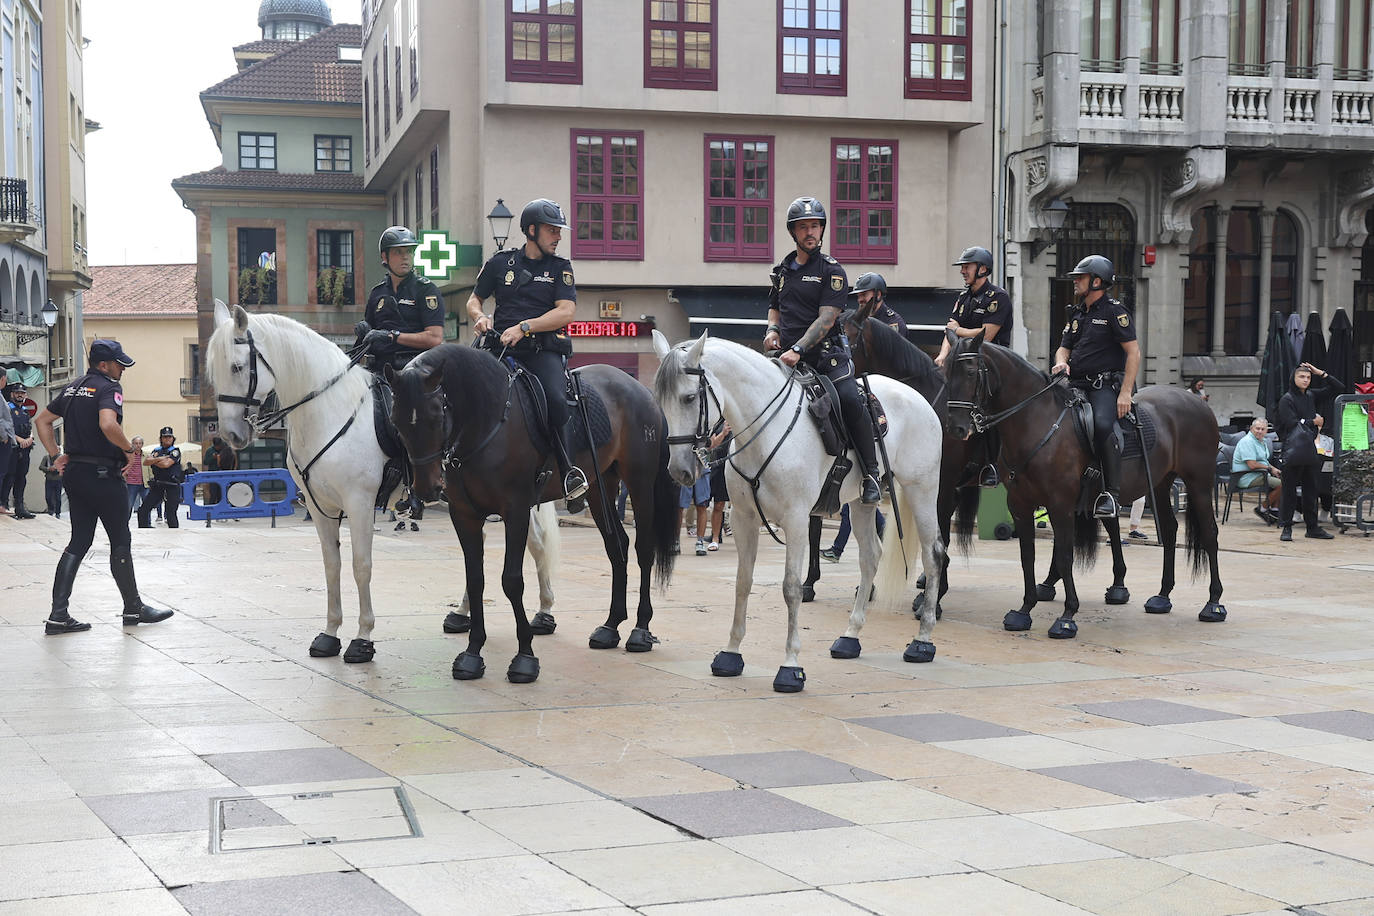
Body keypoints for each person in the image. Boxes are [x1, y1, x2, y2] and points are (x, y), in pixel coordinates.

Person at [32, 339, 173, 634]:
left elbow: (42, 421)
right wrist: (129, 451)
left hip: (75, 473)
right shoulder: (109, 387)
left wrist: (56, 455)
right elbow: (108, 424)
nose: (123, 369)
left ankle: (58, 615)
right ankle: (133, 608)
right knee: (120, 539)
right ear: (104, 364)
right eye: (119, 364)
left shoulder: (72, 387)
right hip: (103, 475)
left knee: (79, 541)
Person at [466, 198, 589, 512]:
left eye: (558, 231)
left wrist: (525, 326)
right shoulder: (500, 263)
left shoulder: (560, 268)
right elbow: (474, 300)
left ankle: (569, 474)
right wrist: (480, 317)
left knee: (557, 400)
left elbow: (566, 312)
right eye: (552, 230)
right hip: (500, 348)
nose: (558, 236)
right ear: (531, 230)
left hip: (541, 352)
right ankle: (455, 471)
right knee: (461, 392)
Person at [764, 196, 881, 504]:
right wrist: (772, 330)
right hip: (788, 358)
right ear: (793, 232)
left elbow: (827, 318)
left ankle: (871, 474)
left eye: (815, 226)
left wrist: (799, 348)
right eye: (803, 227)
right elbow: (774, 308)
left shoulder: (833, 271)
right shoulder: (783, 271)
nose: (810, 233)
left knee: (850, 400)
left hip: (827, 359)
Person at [357, 225, 445, 532]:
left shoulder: (425, 290)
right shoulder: (377, 294)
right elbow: (370, 333)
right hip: (379, 370)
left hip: (413, 369)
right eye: (399, 252)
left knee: (407, 420)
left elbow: (435, 338)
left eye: (409, 251)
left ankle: (414, 490)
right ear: (385, 257)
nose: (405, 257)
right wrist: (364, 333)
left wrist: (394, 336)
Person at [1053, 255, 1141, 519]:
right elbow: (1063, 348)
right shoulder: (1078, 313)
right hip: (1074, 383)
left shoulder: (1115, 311)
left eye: (1080, 277)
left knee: (1102, 425)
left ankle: (1111, 495)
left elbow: (1133, 353)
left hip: (1103, 386)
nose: (1075, 281)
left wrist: (1125, 392)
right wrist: (1061, 363)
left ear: (1097, 281)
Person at [936, 246, 1015, 488]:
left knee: (989, 409)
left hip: (992, 364)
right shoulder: (963, 298)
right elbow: (948, 332)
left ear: (982, 269)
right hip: (964, 361)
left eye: (967, 266)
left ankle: (992, 465)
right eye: (962, 267)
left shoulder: (997, 298)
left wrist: (958, 330)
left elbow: (986, 335)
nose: (962, 271)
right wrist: (941, 356)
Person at [1275, 362, 1339, 541]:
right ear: (1293, 378)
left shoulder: (1311, 395)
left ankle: (1312, 527)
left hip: (1310, 450)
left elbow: (1338, 387)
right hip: (1292, 450)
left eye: (1308, 377)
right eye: (1301, 377)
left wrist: (1320, 372)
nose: (1305, 380)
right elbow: (1291, 423)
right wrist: (1314, 422)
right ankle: (1286, 528)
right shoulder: (1287, 399)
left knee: (1312, 490)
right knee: (1289, 491)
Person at [1232, 418, 1281, 525]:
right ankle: (1262, 509)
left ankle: (1274, 512)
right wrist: (1269, 469)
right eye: (1257, 428)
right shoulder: (1247, 441)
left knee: (1281, 478)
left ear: (1266, 431)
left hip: (1259, 474)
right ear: (1251, 428)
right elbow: (1252, 465)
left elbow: (1263, 461)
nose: (1259, 431)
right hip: (1245, 477)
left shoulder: (1261, 441)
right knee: (1282, 485)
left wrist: (1273, 469)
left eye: (1262, 429)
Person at [137, 427, 183, 529]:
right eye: (165, 437)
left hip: (172, 485)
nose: (167, 439)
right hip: (159, 484)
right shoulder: (157, 451)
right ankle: (144, 530)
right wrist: (160, 458)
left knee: (171, 513)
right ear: (161, 438)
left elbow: (166, 464)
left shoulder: (175, 451)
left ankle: (174, 534)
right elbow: (145, 462)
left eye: (169, 437)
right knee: (143, 510)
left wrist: (154, 461)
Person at [3, 383, 36, 517]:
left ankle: (20, 507)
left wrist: (30, 438)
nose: (20, 395)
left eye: (22, 393)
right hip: (12, 447)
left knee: (21, 478)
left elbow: (29, 427)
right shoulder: (8, 408)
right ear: (12, 394)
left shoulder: (24, 410)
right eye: (17, 393)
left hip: (25, 449)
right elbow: (7, 428)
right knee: (9, 476)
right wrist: (19, 440)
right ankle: (3, 504)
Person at [706, 421, 732, 551]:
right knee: (704, 504)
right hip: (715, 466)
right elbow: (711, 445)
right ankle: (712, 536)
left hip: (730, 467)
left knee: (720, 504)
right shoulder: (717, 423)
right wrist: (724, 433)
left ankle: (716, 537)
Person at [122, 435, 147, 518]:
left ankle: (146, 523)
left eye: (140, 443)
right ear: (132, 444)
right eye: (136, 443)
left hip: (144, 483)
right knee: (129, 505)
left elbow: (149, 468)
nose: (138, 445)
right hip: (131, 483)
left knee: (147, 505)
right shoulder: (128, 455)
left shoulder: (146, 455)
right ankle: (125, 524)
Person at [40, 451, 64, 517]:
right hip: (49, 479)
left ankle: (57, 512)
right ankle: (51, 509)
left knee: (58, 497)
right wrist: (48, 469)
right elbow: (41, 466)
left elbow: (65, 467)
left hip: (58, 480)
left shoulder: (61, 458)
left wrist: (57, 469)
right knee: (48, 496)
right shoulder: (46, 457)